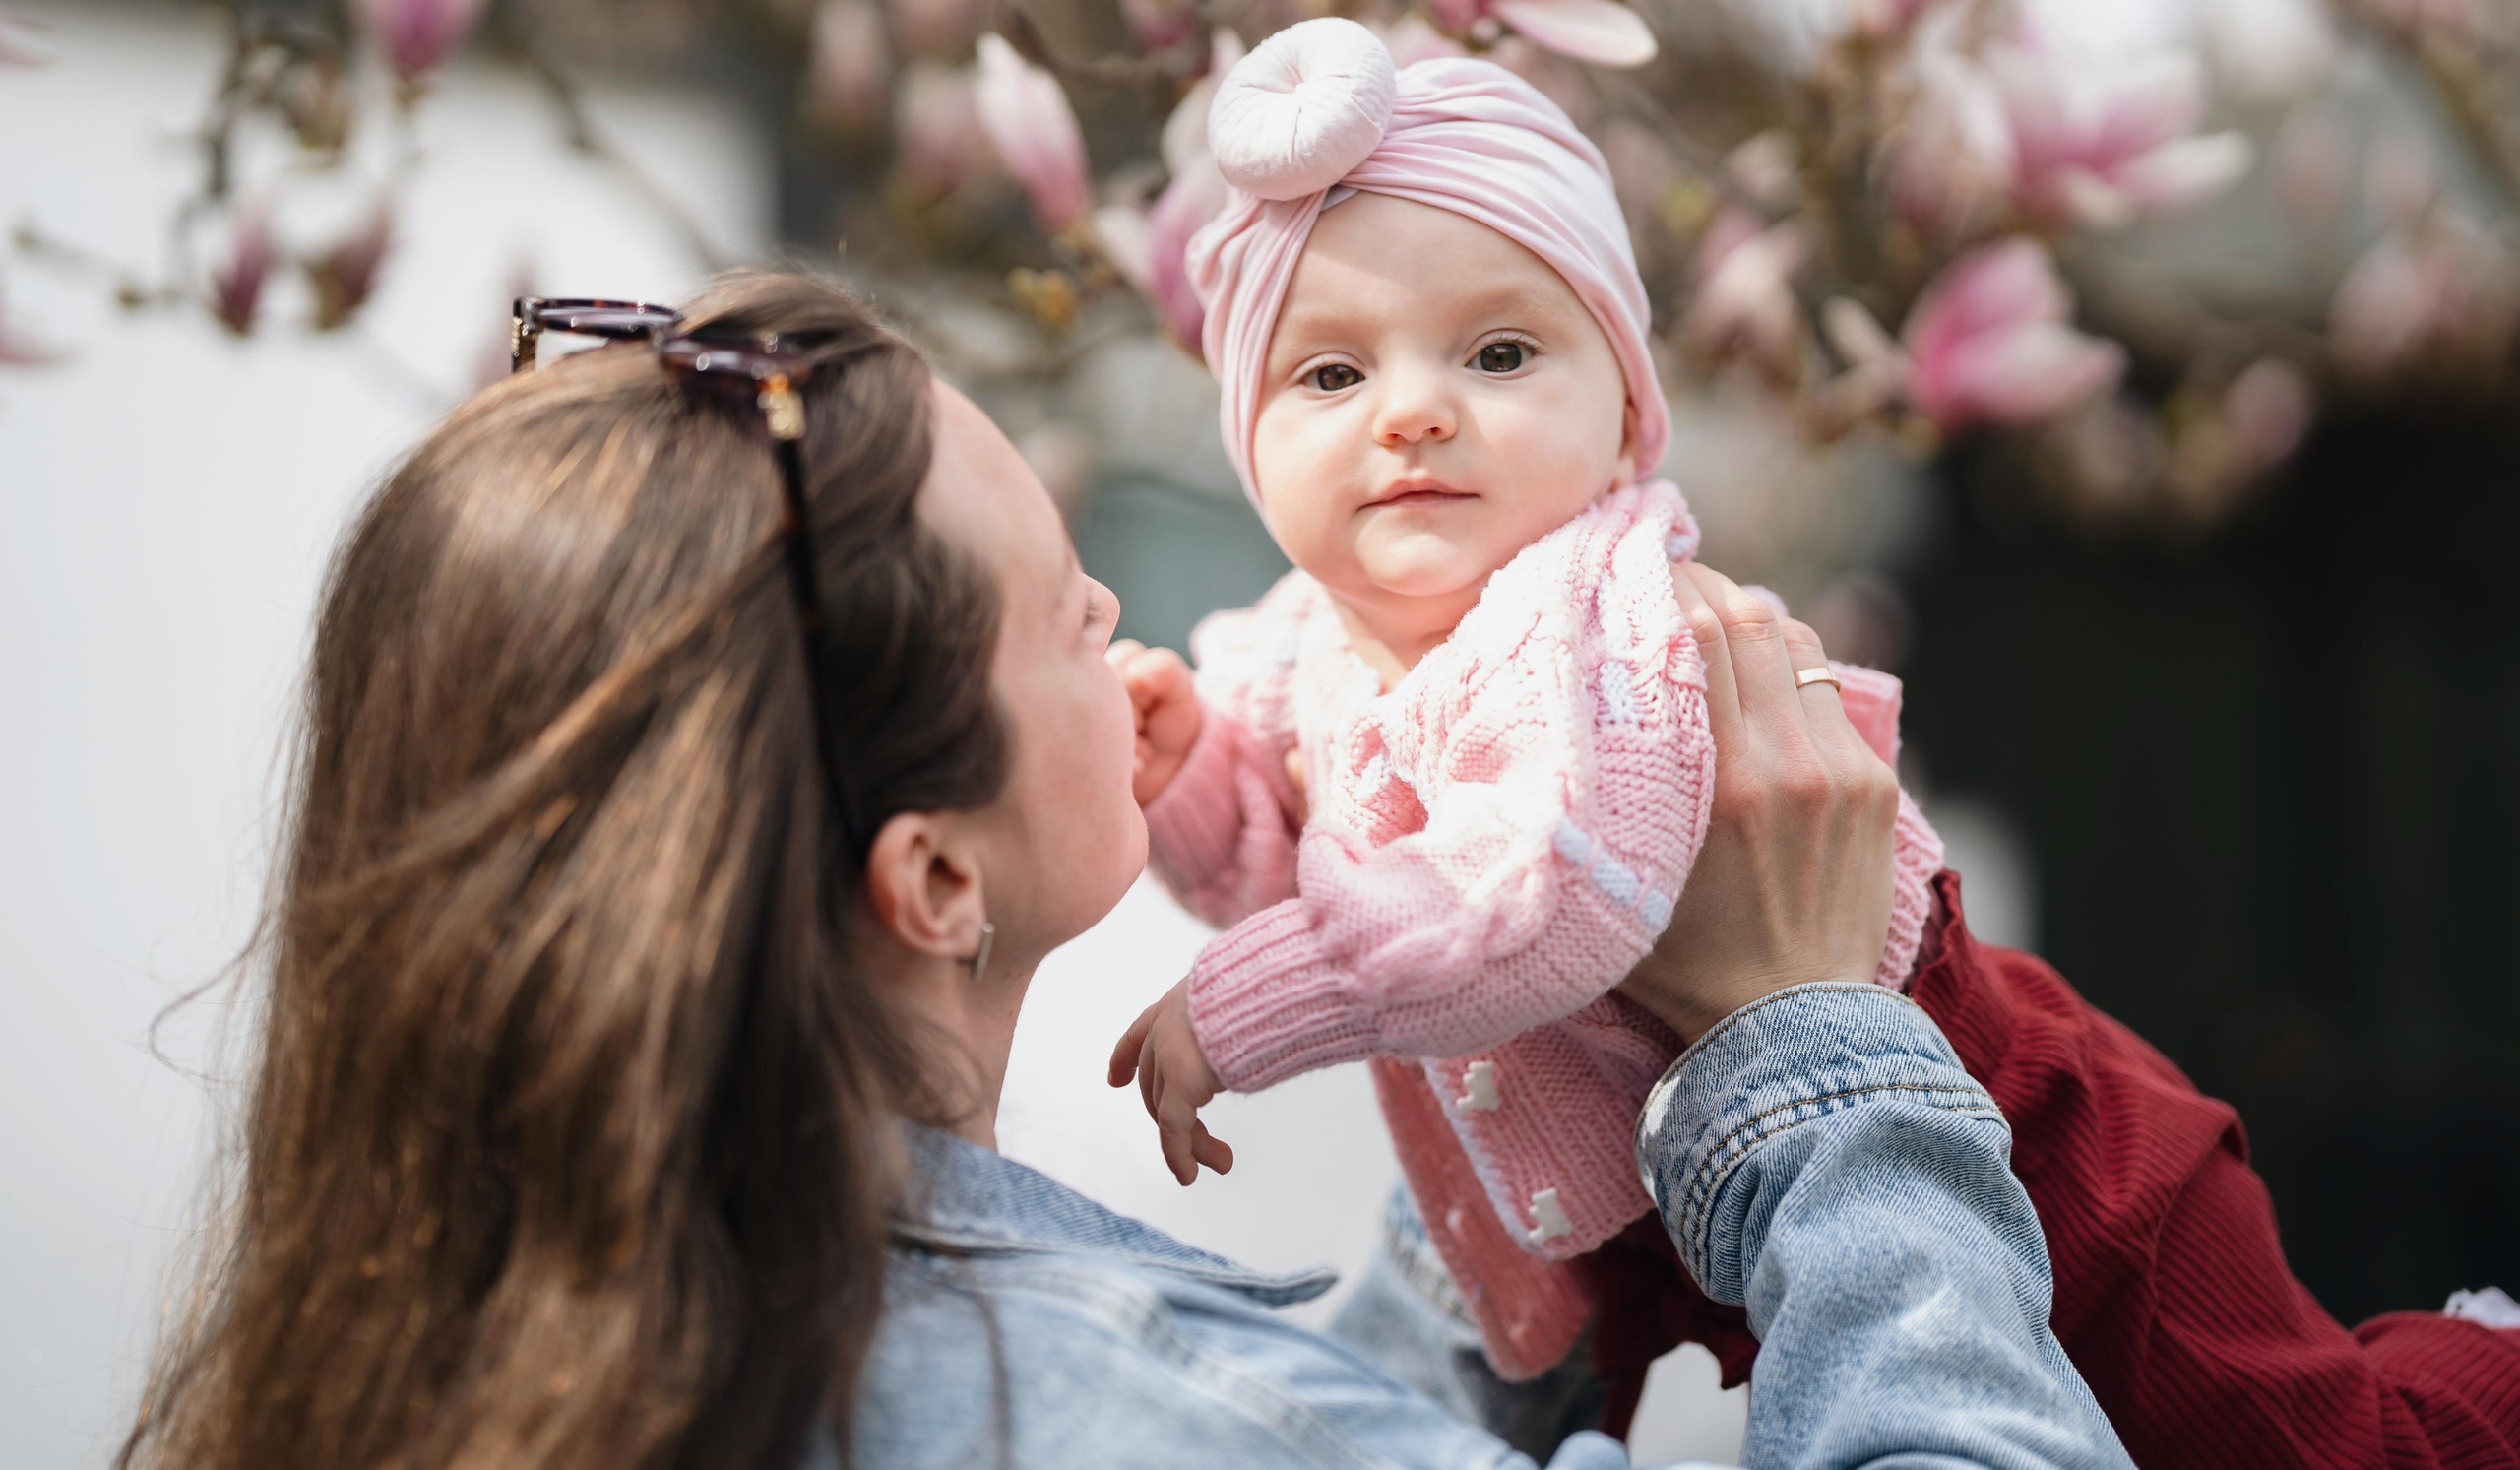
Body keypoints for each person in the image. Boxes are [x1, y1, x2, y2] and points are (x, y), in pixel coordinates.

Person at [115, 272, 2129, 1470]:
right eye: (1060, 609)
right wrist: (1803, 1044)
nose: (1116, 616)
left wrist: (1536, 1091)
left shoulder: (508, 1350)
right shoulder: (1126, 1409)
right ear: (930, 879)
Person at [1103, 17, 1953, 1384]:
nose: (1413, 412)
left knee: (2207, 1391)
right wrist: (1194, 774)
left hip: (1933, 1100)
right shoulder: (1297, 644)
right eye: (1332, 374)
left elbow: (1533, 900)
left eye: (1498, 355)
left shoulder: (1600, 615)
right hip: (1658, 1206)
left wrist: (1238, 1010)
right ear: (1250, 446)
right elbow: (1307, 879)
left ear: (1625, 422)